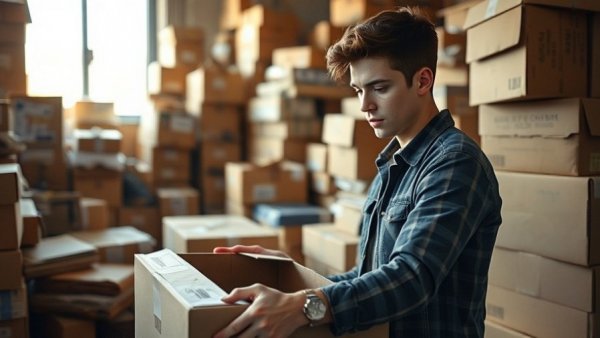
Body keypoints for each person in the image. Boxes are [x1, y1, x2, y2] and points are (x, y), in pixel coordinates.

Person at [213, 6, 502, 338]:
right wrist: (294, 278)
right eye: (358, 90)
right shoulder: (391, 165)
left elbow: (410, 279)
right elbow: (370, 276)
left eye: (379, 88)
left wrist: (302, 306)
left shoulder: (455, 162)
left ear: (423, 80)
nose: (365, 105)